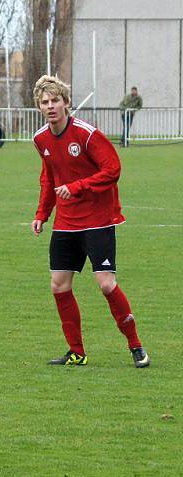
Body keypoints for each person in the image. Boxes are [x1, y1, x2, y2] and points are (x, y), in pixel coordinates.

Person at [30, 75, 149, 368]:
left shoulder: (87, 134)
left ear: (67, 103)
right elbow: (49, 178)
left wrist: (78, 187)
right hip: (65, 223)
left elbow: (113, 169)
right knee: (59, 285)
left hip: (97, 219)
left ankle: (136, 346)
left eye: (55, 100)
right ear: (39, 107)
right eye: (45, 102)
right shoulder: (40, 139)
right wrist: (42, 214)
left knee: (106, 284)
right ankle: (76, 352)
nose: (50, 106)